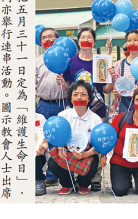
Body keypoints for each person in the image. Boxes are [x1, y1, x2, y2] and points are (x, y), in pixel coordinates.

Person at [56, 27, 113, 191]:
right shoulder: (71, 62)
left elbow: (107, 89)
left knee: (96, 141)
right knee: (74, 141)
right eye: (83, 37)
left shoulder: (100, 60)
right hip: (76, 107)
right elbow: (67, 87)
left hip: (97, 108)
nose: (86, 39)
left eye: (90, 37)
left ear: (94, 42)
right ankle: (71, 174)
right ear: (79, 41)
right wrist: (60, 81)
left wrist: (112, 76)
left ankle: (95, 177)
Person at [47, 80, 103, 195]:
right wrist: (59, 148)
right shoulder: (63, 115)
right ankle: (67, 184)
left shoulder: (96, 119)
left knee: (93, 163)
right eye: (75, 94)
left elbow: (98, 145)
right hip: (66, 150)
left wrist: (85, 154)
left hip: (86, 152)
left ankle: (83, 184)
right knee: (53, 163)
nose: (79, 97)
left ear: (88, 99)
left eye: (83, 94)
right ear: (71, 99)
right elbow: (57, 137)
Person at [105, 30, 138, 119]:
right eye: (129, 40)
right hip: (123, 105)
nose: (132, 43)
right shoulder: (120, 64)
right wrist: (116, 91)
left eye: (135, 40)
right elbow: (115, 86)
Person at [35, 27, 63, 187]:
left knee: (59, 138)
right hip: (43, 104)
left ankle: (55, 174)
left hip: (62, 104)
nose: (47, 40)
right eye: (44, 38)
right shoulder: (37, 61)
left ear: (57, 39)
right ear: (41, 42)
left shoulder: (67, 59)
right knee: (41, 138)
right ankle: (41, 174)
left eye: (50, 37)